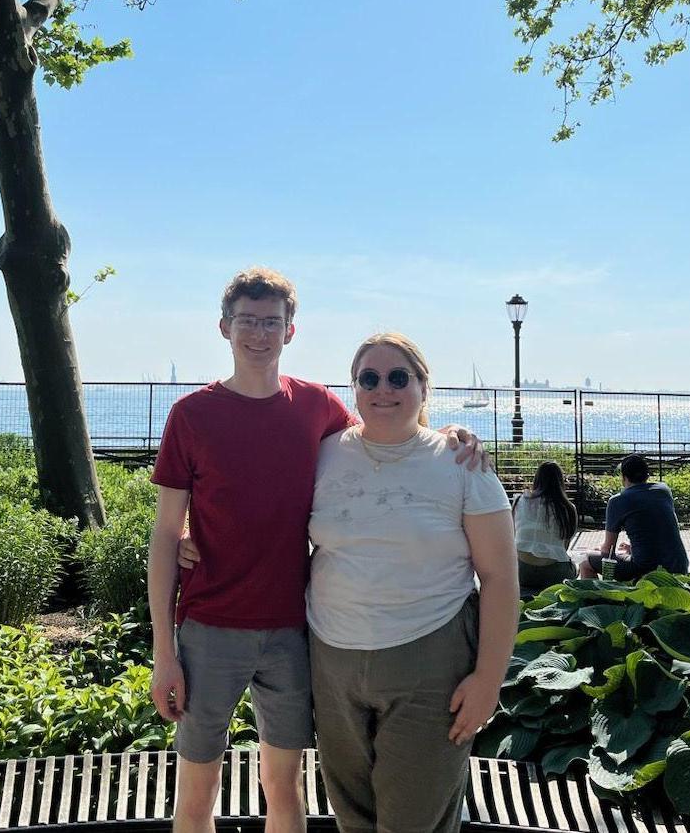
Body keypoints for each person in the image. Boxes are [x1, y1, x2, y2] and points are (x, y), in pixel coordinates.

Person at [146, 267, 484, 833]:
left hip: (293, 631)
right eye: (248, 321)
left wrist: (447, 433)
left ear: (291, 331)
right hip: (208, 628)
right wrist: (164, 653)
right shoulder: (191, 415)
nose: (259, 333)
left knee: (285, 787)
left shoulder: (315, 406)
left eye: (271, 322)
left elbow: (385, 430)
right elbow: (163, 534)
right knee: (197, 790)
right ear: (224, 327)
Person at [306, 333, 518, 833]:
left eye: (399, 377)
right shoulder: (321, 455)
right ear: (353, 389)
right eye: (370, 378)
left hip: (431, 661)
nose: (384, 389)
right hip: (332, 661)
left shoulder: (463, 464)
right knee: (352, 818)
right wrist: (190, 534)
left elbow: (500, 579)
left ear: (424, 387)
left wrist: (489, 680)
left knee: (414, 822)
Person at [579, 453, 689, 580]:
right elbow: (656, 527)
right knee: (620, 556)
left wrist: (597, 549)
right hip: (678, 566)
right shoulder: (664, 490)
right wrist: (633, 548)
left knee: (585, 561)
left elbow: (608, 549)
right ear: (647, 476)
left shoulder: (617, 501)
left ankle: (596, 598)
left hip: (645, 569)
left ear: (623, 477)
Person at [512, 461, 577, 591]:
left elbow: (512, 535)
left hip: (521, 569)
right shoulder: (568, 508)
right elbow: (565, 546)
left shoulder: (520, 501)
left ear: (536, 479)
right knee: (575, 567)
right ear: (560, 482)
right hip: (555, 572)